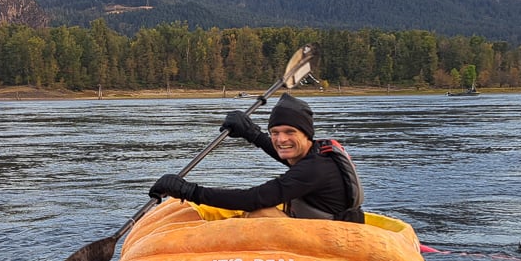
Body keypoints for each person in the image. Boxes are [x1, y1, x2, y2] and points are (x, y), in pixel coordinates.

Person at [148, 93, 365, 222]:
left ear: (306, 134)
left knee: (261, 212)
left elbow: (254, 198)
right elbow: (285, 156)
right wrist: (251, 133)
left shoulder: (316, 169)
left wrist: (190, 191)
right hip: (325, 226)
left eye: (290, 132)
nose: (281, 139)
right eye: (275, 133)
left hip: (334, 241)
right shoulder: (314, 152)